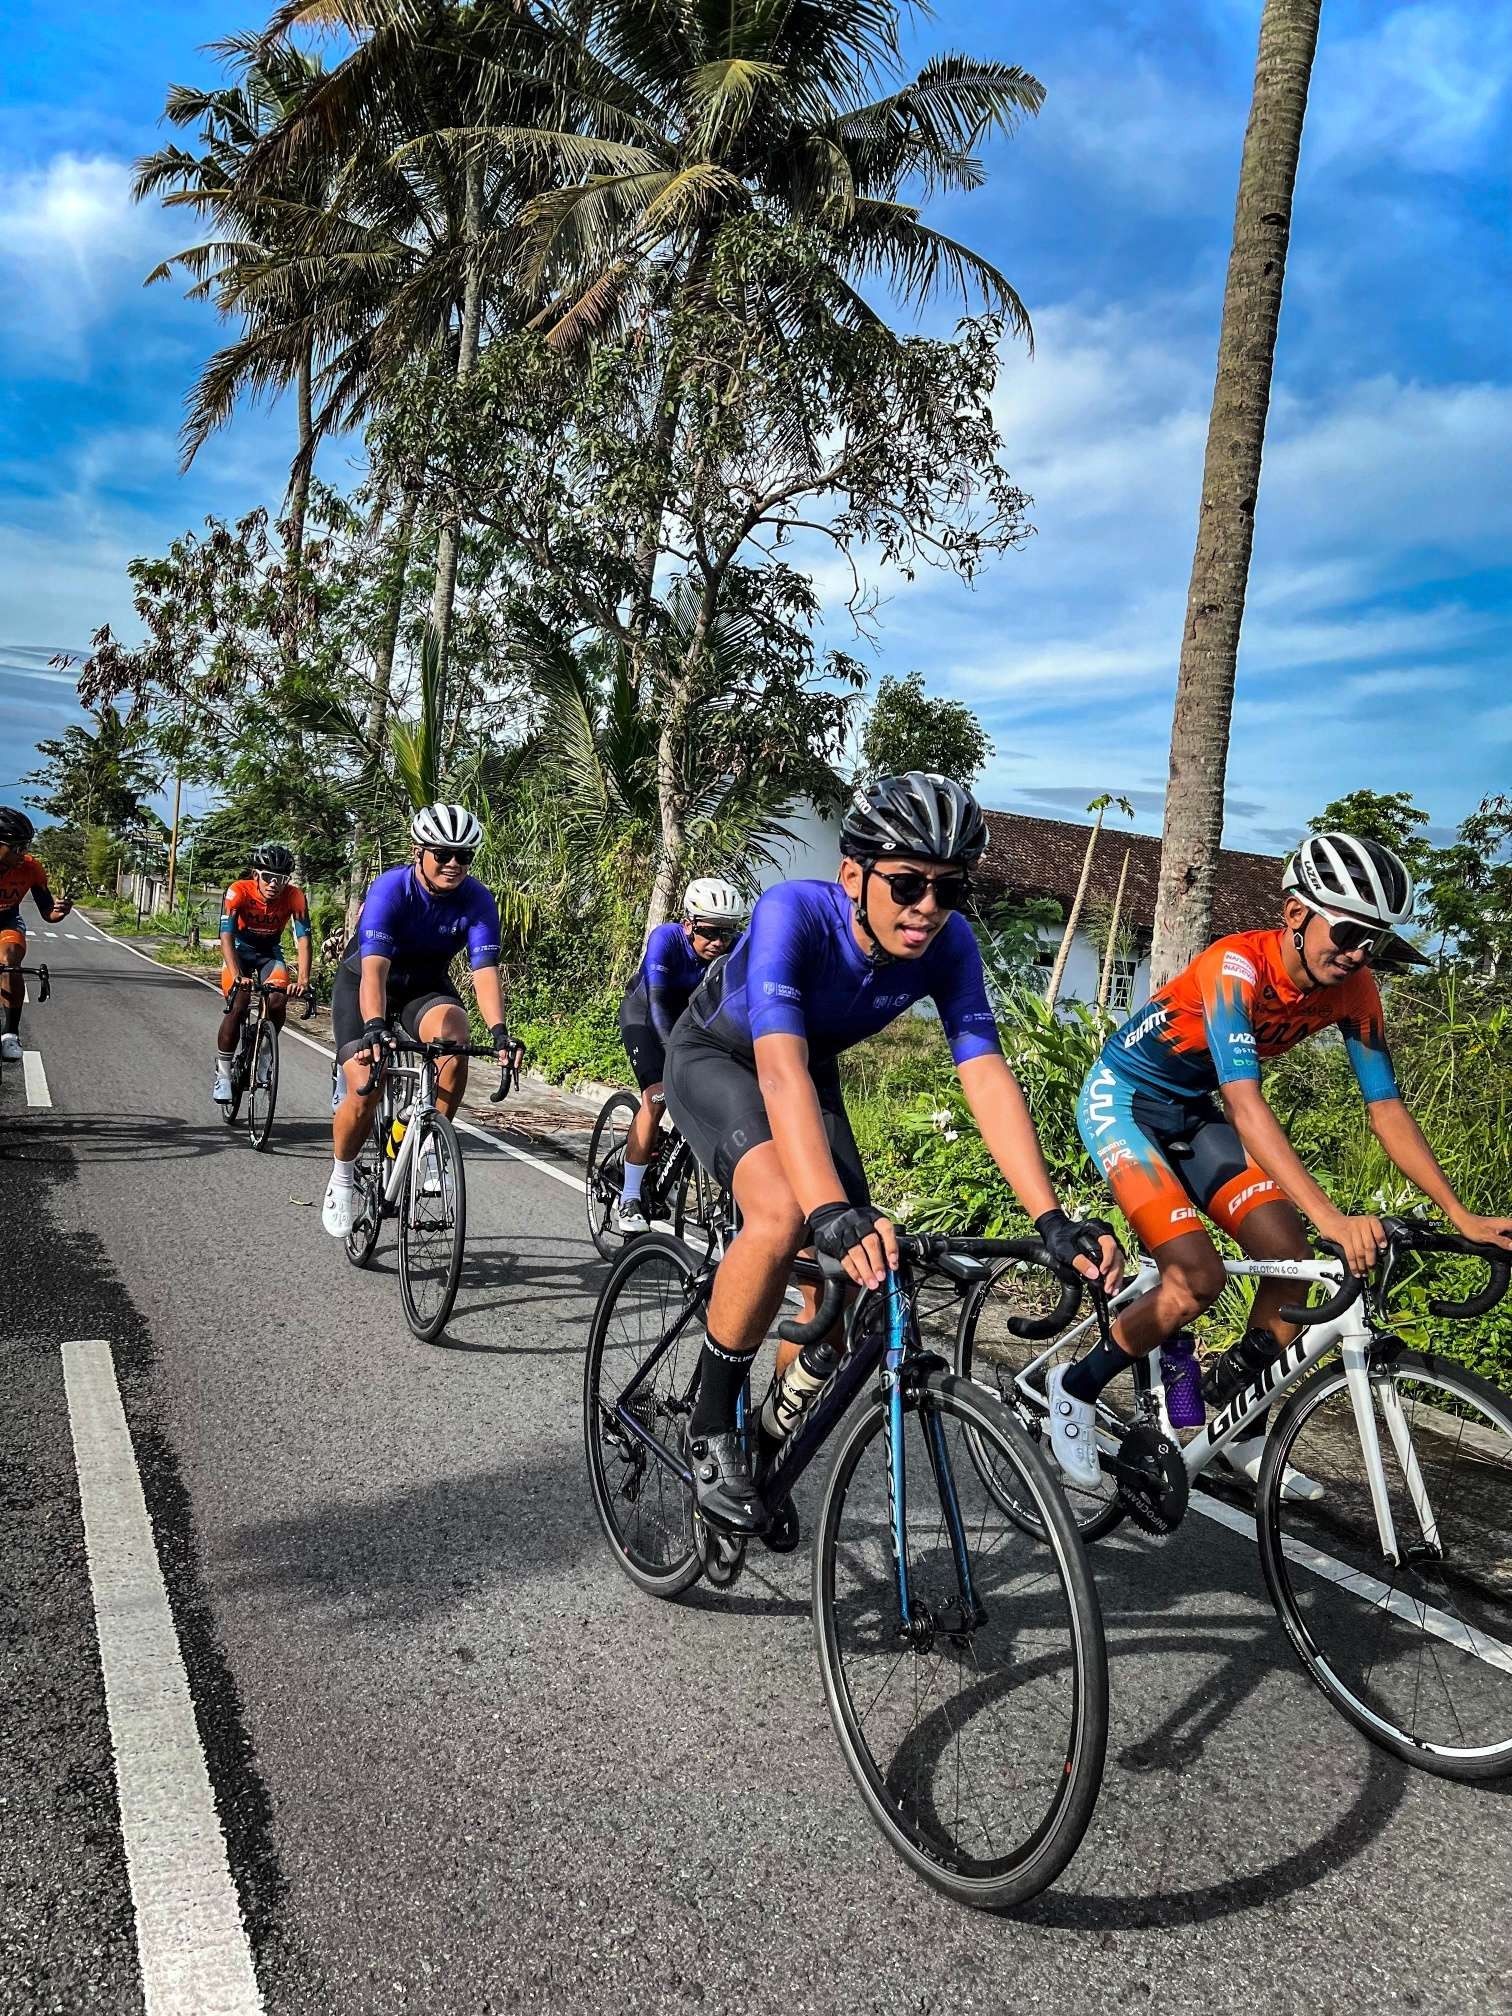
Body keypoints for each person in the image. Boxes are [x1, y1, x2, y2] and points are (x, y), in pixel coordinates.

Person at [662, 771, 1124, 1535]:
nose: (928, 909)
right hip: (721, 1057)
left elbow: (985, 1073)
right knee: (783, 1214)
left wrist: (1050, 1218)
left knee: (849, 1282)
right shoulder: (794, 914)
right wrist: (828, 1208)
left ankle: (769, 1449)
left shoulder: (949, 945)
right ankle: (712, 1425)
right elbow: (776, 1071)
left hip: (808, 1068)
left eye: (950, 889)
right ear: (854, 875)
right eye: (908, 883)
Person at [1066, 830, 1512, 1499]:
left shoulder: (1355, 989)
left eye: (1376, 941)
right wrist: (1333, 1214)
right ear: (1297, 914)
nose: (1360, 952)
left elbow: (1385, 1108)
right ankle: (1073, 1387)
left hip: (1190, 1109)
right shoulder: (1234, 968)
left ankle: (1236, 1427)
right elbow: (1245, 1104)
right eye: (1352, 931)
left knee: (1290, 1260)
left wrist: (1461, 1214)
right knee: (1196, 1278)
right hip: (1124, 1100)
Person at [322, 803, 518, 1238]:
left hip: (424, 988)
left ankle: (425, 1143)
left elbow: (484, 970)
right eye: (442, 854)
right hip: (367, 983)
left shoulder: (478, 899)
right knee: (363, 1085)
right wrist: (373, 1024)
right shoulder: (392, 888)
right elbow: (374, 969)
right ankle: (341, 1179)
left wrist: (500, 1034)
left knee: (454, 1040)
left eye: (463, 856)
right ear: (419, 851)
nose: (453, 864)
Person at [615, 876, 749, 1234]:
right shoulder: (666, 939)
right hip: (645, 1014)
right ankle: (628, 1197)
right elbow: (658, 1003)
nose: (719, 942)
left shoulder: (731, 951)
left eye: (728, 934)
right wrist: (673, 1050)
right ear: (689, 924)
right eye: (710, 932)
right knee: (657, 1097)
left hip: (690, 1022)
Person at [215, 843, 313, 1103]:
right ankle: (223, 1074)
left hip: (269, 953)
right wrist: (237, 974)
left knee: (278, 999)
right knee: (239, 1003)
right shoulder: (238, 892)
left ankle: (265, 1053)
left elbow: (303, 940)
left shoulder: (295, 896)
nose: (274, 884)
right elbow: (225, 935)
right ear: (255, 875)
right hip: (238, 951)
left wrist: (303, 980)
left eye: (281, 879)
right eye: (268, 877)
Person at [0, 806, 71, 1062]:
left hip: (6, 919)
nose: (24, 853)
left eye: (27, 846)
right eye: (17, 847)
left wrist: (60, 911)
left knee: (11, 962)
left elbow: (48, 913)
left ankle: (10, 1035)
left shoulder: (30, 868)